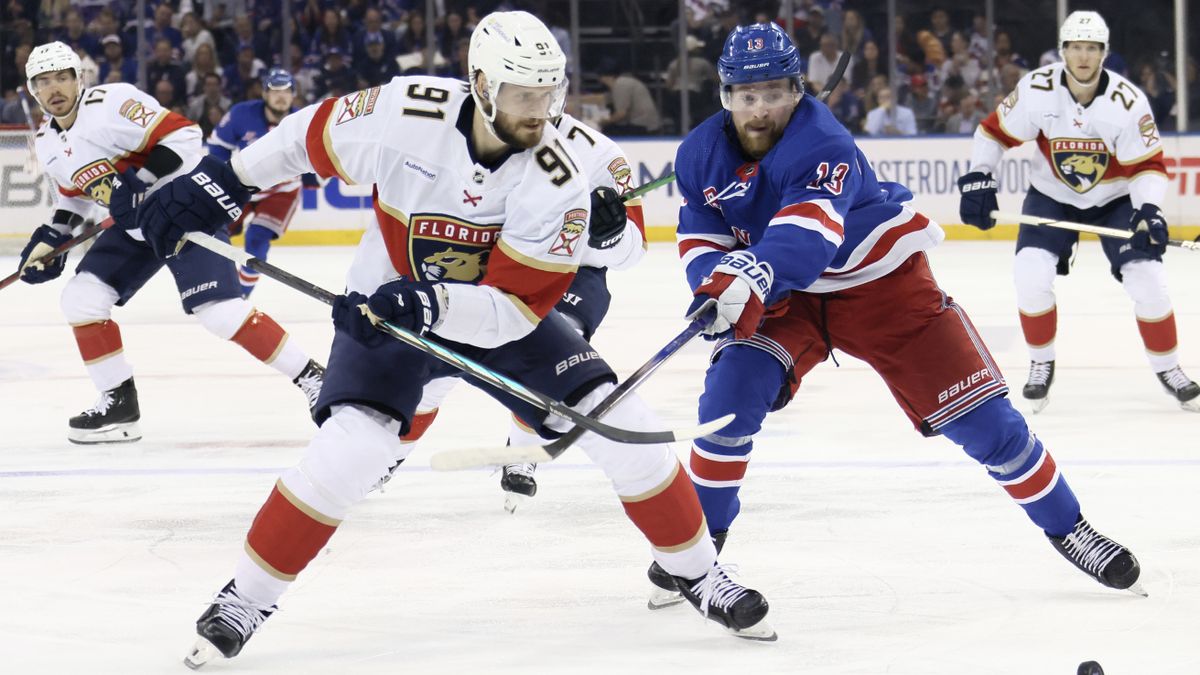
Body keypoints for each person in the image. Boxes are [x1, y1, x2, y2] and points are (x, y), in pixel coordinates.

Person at [135, 12, 775, 665]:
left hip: (494, 313)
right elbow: (306, 136)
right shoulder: (401, 112)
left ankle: (699, 572)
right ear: (480, 82)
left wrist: (434, 300)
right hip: (387, 301)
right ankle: (247, 597)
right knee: (349, 450)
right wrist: (223, 182)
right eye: (525, 94)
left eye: (549, 93)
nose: (541, 111)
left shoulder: (561, 173)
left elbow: (516, 308)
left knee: (620, 423)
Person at [645, 22, 1143, 609]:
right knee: (727, 403)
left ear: (798, 92)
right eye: (747, 96)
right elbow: (701, 234)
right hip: (785, 299)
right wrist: (711, 285)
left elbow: (808, 237)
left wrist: (749, 275)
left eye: (775, 92)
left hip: (878, 282)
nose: (760, 110)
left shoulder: (822, 142)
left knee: (986, 423)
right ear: (726, 96)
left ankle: (1069, 526)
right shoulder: (699, 152)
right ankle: (697, 553)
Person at [13, 42, 326, 445]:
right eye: (43, 81)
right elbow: (75, 197)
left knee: (221, 313)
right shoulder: (48, 142)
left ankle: (313, 377)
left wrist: (138, 183)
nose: (53, 88)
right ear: (32, 89)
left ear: (78, 78)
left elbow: (184, 135)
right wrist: (53, 238)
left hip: (183, 207)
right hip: (135, 225)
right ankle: (119, 404)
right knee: (81, 298)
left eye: (61, 77)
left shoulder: (112, 103)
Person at [382, 111, 649, 513]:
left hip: (570, 270)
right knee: (437, 363)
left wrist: (611, 235)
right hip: (488, 261)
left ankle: (522, 452)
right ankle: (388, 454)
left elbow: (634, 250)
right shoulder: (474, 135)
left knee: (554, 346)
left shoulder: (600, 155)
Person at [958, 10, 1199, 412]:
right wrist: (979, 177)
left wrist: (1149, 210)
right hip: (1052, 196)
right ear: (1062, 51)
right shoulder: (1036, 89)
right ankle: (1040, 362)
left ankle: (1170, 369)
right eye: (1075, 48)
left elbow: (1147, 167)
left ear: (1103, 53)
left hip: (1115, 200)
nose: (1083, 56)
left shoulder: (1128, 102)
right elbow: (993, 132)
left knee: (1149, 281)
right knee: (1030, 274)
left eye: (1091, 48)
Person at [207, 68, 316, 297]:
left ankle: (240, 294)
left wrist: (311, 180)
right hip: (242, 186)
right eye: (275, 91)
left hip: (282, 192)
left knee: (257, 237)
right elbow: (217, 145)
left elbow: (315, 154)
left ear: (294, 94)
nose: (280, 96)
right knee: (217, 232)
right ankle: (213, 281)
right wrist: (220, 176)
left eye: (286, 91)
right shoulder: (241, 114)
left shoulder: (303, 121)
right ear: (264, 94)